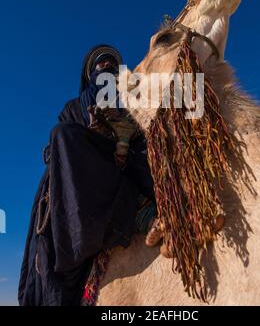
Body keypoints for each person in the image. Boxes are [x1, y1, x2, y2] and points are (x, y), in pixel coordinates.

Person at [18, 44, 162, 306]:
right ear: (89, 74)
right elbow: (56, 152)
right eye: (100, 64)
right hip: (88, 166)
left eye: (111, 64)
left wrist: (125, 136)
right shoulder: (73, 108)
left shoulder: (134, 98)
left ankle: (144, 208)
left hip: (131, 161)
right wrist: (96, 133)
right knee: (62, 136)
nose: (106, 66)